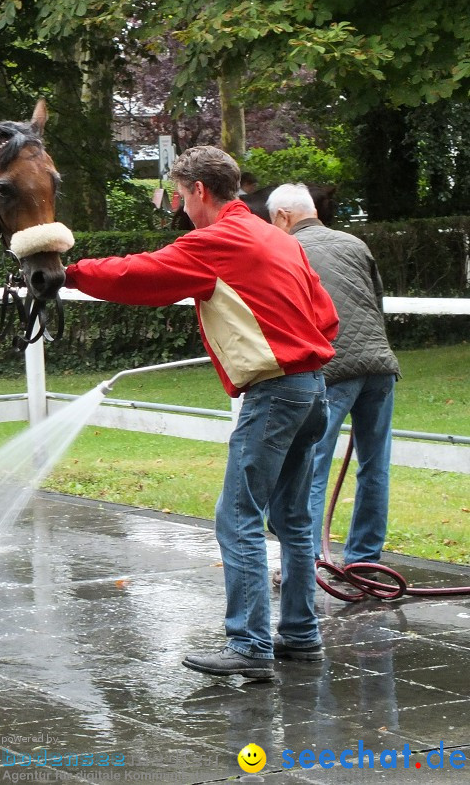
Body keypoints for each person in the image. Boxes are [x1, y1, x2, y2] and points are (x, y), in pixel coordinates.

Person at [64, 146, 338, 679]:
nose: (179, 206)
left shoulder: (217, 241)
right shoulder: (275, 238)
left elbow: (137, 275)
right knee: (293, 521)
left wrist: (70, 274)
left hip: (276, 394)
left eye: (179, 194)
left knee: (237, 518)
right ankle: (301, 635)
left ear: (200, 192)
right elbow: (325, 315)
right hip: (312, 390)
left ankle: (251, 647)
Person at [268, 183, 400, 569]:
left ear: (283, 217)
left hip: (332, 367)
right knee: (374, 466)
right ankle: (364, 560)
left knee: (311, 465)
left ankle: (305, 564)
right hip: (379, 367)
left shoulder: (287, 249)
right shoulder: (354, 243)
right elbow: (376, 304)